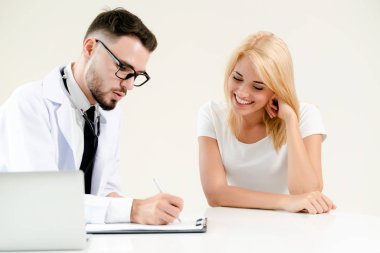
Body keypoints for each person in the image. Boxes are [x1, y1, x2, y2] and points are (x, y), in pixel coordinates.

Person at [0, 8, 183, 224]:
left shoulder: (110, 114)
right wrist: (133, 210)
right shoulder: (29, 104)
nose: (129, 85)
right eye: (123, 68)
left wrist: (149, 208)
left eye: (136, 75)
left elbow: (105, 191)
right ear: (90, 48)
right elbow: (42, 200)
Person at [198, 31, 336, 214]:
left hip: (292, 231)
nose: (242, 93)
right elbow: (215, 194)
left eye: (257, 86)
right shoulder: (212, 115)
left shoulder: (306, 116)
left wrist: (290, 121)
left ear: (276, 89)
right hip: (236, 228)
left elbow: (307, 194)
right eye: (237, 78)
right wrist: (286, 202)